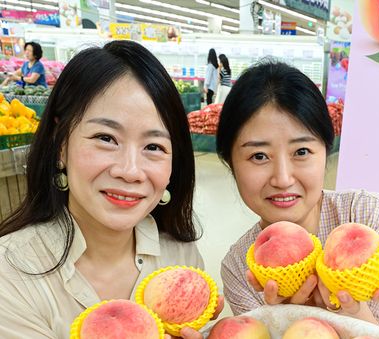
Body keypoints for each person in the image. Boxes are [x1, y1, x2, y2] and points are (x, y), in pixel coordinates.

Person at [0, 40, 222, 339]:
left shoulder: (180, 257)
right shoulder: (10, 274)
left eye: (154, 146)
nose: (130, 171)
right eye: (106, 138)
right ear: (61, 143)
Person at [216, 60, 379, 338]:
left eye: (302, 151)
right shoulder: (242, 268)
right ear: (230, 162)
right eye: (259, 156)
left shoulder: (367, 218)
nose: (283, 178)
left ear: (325, 152)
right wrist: (286, 322)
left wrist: (353, 316)